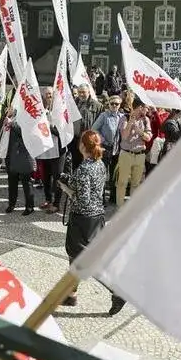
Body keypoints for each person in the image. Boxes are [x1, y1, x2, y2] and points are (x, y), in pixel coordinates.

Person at [62, 130, 109, 308]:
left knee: (80, 257)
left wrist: (67, 190)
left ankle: (115, 291)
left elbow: (83, 200)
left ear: (82, 146)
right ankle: (71, 294)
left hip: (83, 219)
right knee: (79, 259)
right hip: (98, 217)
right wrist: (69, 179)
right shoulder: (100, 164)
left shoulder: (84, 168)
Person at [114, 98, 151, 207]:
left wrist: (138, 129)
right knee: (122, 183)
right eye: (146, 108)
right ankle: (120, 207)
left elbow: (148, 138)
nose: (147, 110)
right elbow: (124, 136)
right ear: (140, 107)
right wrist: (130, 123)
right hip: (126, 154)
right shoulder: (124, 118)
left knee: (136, 183)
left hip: (140, 155)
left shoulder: (146, 120)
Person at [37, 87, 66, 214]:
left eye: (50, 94)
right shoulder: (42, 110)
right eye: (47, 94)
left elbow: (63, 134)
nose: (49, 96)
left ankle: (56, 203)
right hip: (45, 149)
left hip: (58, 151)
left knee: (57, 177)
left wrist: (48, 126)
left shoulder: (61, 112)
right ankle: (48, 199)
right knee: (46, 176)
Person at [91, 95, 123, 204]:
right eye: (112, 103)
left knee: (115, 174)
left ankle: (113, 197)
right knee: (102, 174)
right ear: (108, 104)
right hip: (105, 148)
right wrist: (103, 140)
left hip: (117, 149)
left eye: (116, 104)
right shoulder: (103, 116)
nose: (114, 105)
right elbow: (94, 129)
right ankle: (101, 199)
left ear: (120, 105)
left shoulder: (122, 116)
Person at [3, 108, 35, 216]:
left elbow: (25, 132)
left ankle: (29, 206)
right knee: (12, 181)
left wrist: (12, 124)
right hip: (10, 153)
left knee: (26, 181)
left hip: (22, 154)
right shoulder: (11, 116)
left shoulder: (28, 116)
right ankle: (11, 204)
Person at [71, 84, 102, 169]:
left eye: (83, 92)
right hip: (76, 140)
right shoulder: (73, 104)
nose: (81, 94)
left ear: (89, 92)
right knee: (76, 164)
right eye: (79, 92)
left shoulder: (97, 106)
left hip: (89, 141)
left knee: (89, 165)